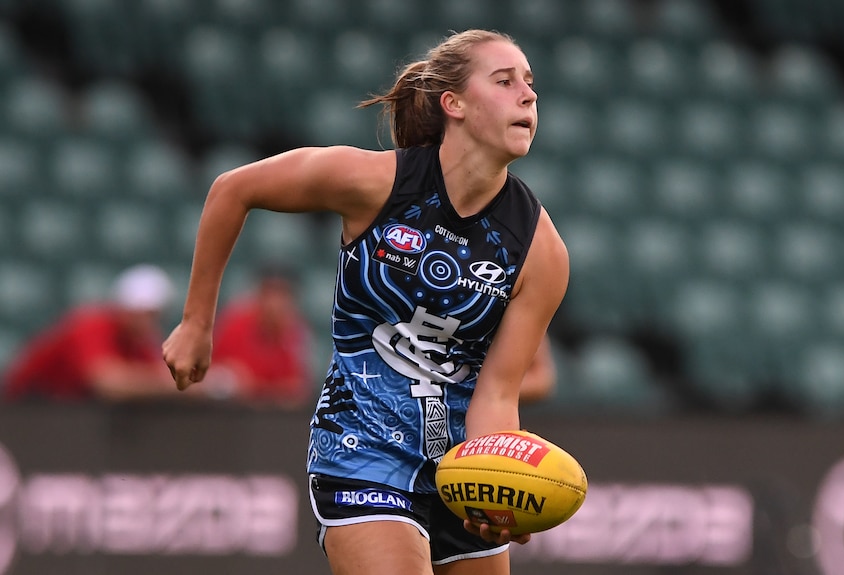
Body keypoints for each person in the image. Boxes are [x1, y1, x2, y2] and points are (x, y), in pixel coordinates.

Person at [162, 29, 569, 575]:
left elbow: (496, 392)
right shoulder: (376, 181)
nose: (528, 94)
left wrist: (492, 483)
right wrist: (196, 321)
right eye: (504, 81)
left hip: (456, 467)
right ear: (454, 105)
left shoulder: (540, 250)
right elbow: (233, 189)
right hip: (362, 451)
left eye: (531, 84)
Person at [3, 264, 181, 402]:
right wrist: (174, 387)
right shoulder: (91, 324)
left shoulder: (140, 344)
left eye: (155, 316)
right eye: (143, 314)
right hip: (21, 409)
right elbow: (107, 383)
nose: (148, 322)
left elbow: (156, 374)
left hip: (61, 415)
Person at [206, 264, 315, 408]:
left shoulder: (296, 332)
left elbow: (299, 390)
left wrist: (256, 386)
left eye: (283, 294)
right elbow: (210, 373)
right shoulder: (235, 321)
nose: (275, 302)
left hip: (272, 417)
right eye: (270, 292)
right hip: (228, 412)